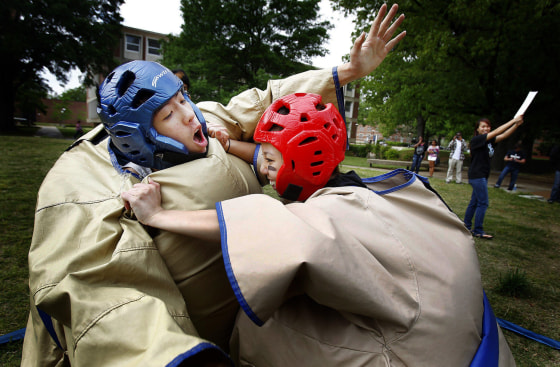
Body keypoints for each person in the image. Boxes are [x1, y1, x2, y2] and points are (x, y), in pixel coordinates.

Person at [21, 4, 406, 366]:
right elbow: (100, 292)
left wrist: (347, 72)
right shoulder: (81, 187)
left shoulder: (204, 120)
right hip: (207, 336)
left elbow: (263, 102)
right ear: (138, 136)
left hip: (252, 309)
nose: (190, 116)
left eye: (183, 99)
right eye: (170, 114)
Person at [122, 92, 516, 367]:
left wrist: (158, 216)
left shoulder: (335, 211)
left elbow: (268, 227)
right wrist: (224, 144)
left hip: (422, 354)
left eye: (273, 160)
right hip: (471, 332)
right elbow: (272, 155)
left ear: (298, 161)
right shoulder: (365, 185)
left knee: (259, 326)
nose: (264, 169)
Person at [464, 116, 524, 240]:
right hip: (477, 175)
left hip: (482, 176)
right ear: (478, 129)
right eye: (483, 126)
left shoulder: (488, 142)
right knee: (483, 203)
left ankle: (466, 226)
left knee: (474, 202)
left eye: (488, 126)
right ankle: (478, 230)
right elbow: (497, 132)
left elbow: (504, 135)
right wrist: (513, 120)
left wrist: (516, 125)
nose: (486, 128)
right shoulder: (477, 140)